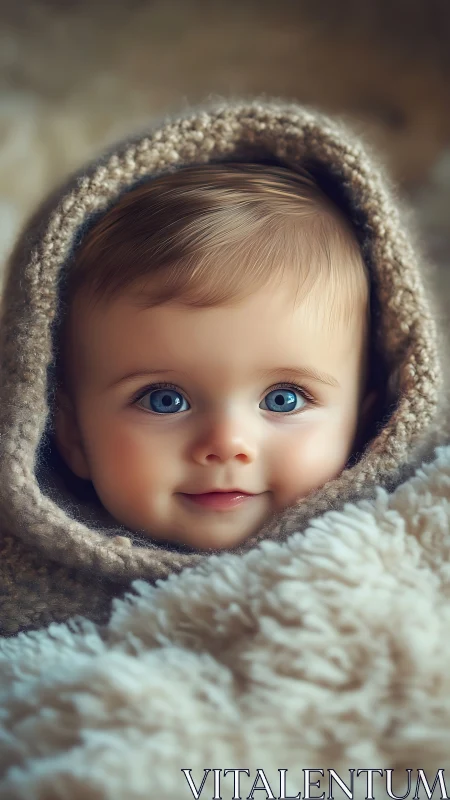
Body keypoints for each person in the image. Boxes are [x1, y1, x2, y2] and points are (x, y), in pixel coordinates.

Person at [0, 100, 443, 636]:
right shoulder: (25, 591)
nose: (227, 442)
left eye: (284, 398)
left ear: (367, 422)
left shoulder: (400, 544)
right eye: (165, 398)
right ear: (69, 434)